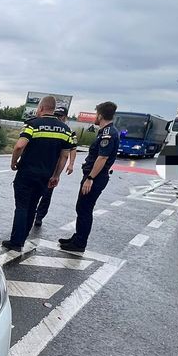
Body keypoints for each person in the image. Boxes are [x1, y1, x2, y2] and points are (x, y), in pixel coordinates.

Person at [2, 95, 75, 251]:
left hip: (26, 173)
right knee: (32, 207)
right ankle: (23, 238)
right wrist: (56, 175)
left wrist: (14, 162)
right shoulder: (65, 130)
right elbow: (64, 156)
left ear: (41, 108)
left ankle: (16, 241)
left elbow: (19, 146)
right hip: (45, 176)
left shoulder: (33, 125)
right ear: (53, 109)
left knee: (21, 207)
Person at [59, 101, 119, 253]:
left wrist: (90, 178)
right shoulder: (107, 131)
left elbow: (102, 158)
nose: (95, 117)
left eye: (96, 114)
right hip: (95, 176)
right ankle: (78, 237)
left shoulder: (108, 133)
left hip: (96, 177)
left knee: (85, 209)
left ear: (100, 115)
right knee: (82, 207)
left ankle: (80, 243)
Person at [33, 104, 77, 227]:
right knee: (35, 191)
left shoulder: (68, 131)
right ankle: (32, 212)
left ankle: (39, 216)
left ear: (65, 117)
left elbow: (72, 149)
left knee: (47, 193)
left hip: (55, 167)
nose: (58, 118)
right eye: (56, 115)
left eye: (61, 116)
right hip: (42, 164)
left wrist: (71, 164)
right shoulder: (47, 126)